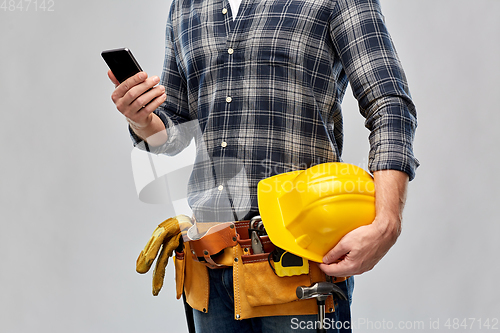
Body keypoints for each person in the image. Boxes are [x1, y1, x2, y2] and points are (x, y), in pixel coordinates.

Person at [108, 0, 418, 331]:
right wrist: (141, 120)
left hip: (296, 269)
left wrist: (387, 221)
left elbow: (390, 105)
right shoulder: (185, 7)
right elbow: (175, 131)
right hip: (210, 273)